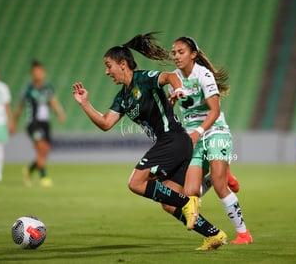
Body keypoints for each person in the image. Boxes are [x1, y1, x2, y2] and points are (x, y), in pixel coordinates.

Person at [72, 33, 227, 250]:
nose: (107, 72)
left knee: (135, 182)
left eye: (109, 65)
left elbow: (169, 77)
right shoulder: (123, 97)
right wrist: (85, 104)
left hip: (172, 139)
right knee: (168, 202)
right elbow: (106, 123)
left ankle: (188, 202)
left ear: (123, 64)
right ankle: (214, 234)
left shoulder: (143, 79)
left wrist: (179, 88)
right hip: (176, 145)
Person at [170, 36, 253, 244]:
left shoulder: (203, 74)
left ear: (193, 55)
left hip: (215, 130)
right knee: (190, 193)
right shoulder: (173, 78)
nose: (176, 56)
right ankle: (224, 173)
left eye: (181, 52)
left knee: (219, 184)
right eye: (174, 53)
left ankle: (244, 234)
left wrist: (198, 131)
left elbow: (215, 111)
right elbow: (172, 110)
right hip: (192, 135)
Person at [14, 60, 66, 188]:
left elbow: (53, 101)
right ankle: (44, 176)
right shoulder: (27, 89)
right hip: (32, 123)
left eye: (40, 72)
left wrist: (59, 112)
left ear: (43, 73)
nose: (38, 74)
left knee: (45, 151)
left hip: (45, 123)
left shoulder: (48, 88)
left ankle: (30, 170)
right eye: (36, 72)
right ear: (32, 74)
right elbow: (20, 107)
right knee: (41, 149)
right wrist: (14, 122)